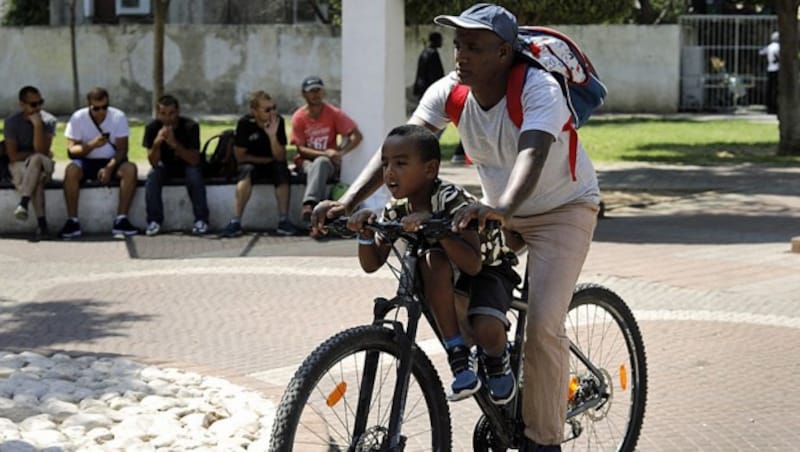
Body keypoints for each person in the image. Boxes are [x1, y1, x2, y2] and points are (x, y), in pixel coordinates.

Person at [313, 4, 601, 451]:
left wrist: (501, 206)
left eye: (474, 46)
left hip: (562, 210)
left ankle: (544, 439)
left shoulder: (537, 89)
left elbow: (533, 152)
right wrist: (348, 201)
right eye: (458, 45)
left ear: (504, 52)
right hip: (494, 213)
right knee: (446, 277)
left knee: (544, 324)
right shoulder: (450, 91)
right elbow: (401, 148)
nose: (460, 55)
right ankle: (495, 358)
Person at [348, 124, 520, 403]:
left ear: (430, 169)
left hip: (487, 268)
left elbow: (474, 265)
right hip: (446, 270)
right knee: (432, 259)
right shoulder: (397, 207)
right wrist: (366, 233)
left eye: (401, 163)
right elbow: (372, 263)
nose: (390, 172)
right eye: (385, 164)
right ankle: (458, 355)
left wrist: (435, 228)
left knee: (487, 329)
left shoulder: (450, 199)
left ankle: (498, 361)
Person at [61, 87, 139, 238]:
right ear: (89, 105)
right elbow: (71, 150)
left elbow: (123, 150)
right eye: (96, 108)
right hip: (85, 162)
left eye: (104, 107)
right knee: (71, 171)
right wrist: (92, 145)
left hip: (112, 161)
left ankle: (121, 219)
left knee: (130, 169)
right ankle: (72, 221)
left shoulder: (118, 117)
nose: (101, 112)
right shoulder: (78, 118)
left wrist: (109, 168)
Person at [220, 91, 300, 237]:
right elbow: (240, 157)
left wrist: (272, 136)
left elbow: (280, 156)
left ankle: (283, 220)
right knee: (246, 172)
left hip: (273, 163)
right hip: (252, 164)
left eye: (274, 108)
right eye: (267, 110)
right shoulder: (245, 123)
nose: (272, 112)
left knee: (282, 171)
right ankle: (236, 221)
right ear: (255, 111)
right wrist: (265, 160)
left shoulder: (278, 121)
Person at [290, 76, 362, 223]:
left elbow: (356, 136)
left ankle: (309, 205)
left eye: (318, 90)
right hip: (305, 164)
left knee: (322, 163)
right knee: (319, 163)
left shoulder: (333, 113)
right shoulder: (299, 117)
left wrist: (341, 153)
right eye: (311, 91)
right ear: (304, 94)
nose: (316, 94)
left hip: (328, 165)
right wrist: (325, 153)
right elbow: (300, 149)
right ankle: (317, 217)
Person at [143, 94, 209, 236]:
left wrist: (174, 144)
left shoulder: (190, 127)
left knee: (194, 174)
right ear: (158, 113)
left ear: (178, 112)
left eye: (172, 113)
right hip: (165, 166)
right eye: (163, 114)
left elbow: (194, 160)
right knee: (152, 176)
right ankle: (154, 221)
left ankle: (201, 219)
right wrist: (156, 144)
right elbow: (153, 162)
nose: (168, 118)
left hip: (187, 164)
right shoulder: (152, 128)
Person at [4, 86, 57, 239]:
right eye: (33, 104)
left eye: (40, 103)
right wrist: (34, 154)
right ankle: (42, 225)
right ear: (22, 104)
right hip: (20, 164)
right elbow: (13, 156)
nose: (38, 107)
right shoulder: (12, 122)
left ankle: (24, 203)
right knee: (37, 179)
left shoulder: (48, 120)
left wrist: (38, 126)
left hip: (43, 163)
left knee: (37, 159)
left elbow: (42, 151)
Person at [413, 32, 445, 101]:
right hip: (428, 88)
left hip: (422, 88)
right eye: (440, 40)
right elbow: (434, 74)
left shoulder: (424, 52)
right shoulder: (433, 54)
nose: (441, 42)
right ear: (436, 40)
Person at [759, 31, 779, 115]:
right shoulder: (779, 47)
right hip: (778, 69)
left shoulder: (769, 47)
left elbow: (761, 52)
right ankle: (775, 107)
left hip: (770, 69)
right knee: (777, 89)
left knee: (770, 89)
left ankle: (769, 107)